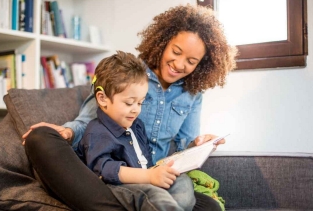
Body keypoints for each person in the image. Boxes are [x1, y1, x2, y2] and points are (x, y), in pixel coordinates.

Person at [23, 3, 237, 211]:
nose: (180, 64)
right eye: (176, 51)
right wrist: (67, 131)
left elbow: (181, 151)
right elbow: (90, 121)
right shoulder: (128, 74)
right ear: (164, 42)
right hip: (114, 177)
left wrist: (198, 146)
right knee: (41, 138)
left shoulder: (192, 93)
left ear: (202, 64)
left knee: (209, 206)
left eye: (191, 61)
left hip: (154, 176)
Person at [76, 51, 196, 211]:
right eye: (129, 103)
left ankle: (169, 206)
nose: (136, 110)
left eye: (140, 103)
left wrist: (160, 172)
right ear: (103, 98)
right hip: (119, 188)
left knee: (182, 181)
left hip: (147, 180)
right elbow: (105, 169)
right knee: (152, 196)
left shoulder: (136, 125)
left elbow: (146, 159)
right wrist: (149, 177)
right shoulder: (96, 131)